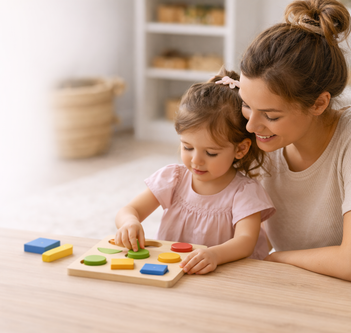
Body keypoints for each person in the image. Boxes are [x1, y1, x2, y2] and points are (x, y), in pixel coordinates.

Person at [238, 0, 351, 282]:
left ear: (319, 104)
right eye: (245, 105)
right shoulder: (265, 139)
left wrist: (278, 258)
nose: (251, 125)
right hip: (302, 284)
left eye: (270, 115)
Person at [114, 70, 276, 275]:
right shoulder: (173, 179)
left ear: (240, 149)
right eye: (187, 147)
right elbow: (129, 210)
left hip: (226, 273)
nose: (196, 160)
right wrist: (130, 223)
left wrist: (215, 255)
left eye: (210, 152)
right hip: (174, 269)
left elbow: (245, 241)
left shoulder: (245, 192)